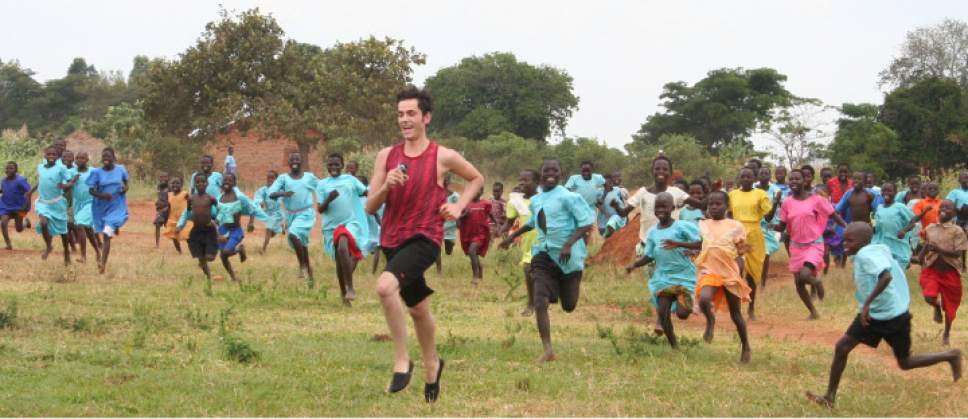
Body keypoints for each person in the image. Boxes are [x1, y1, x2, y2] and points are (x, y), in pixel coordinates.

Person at [365, 86, 484, 402]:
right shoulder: (386, 157)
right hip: (391, 238)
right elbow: (369, 206)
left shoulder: (442, 156)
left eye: (411, 114)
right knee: (418, 309)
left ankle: (403, 360)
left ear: (426, 117)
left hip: (425, 238)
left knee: (384, 287)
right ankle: (434, 364)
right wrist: (386, 186)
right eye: (401, 114)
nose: (405, 120)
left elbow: (476, 179)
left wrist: (458, 208)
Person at [806, 222, 962, 408]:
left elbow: (886, 276)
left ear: (864, 241)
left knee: (905, 362)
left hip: (889, 316)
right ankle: (829, 398)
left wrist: (867, 305)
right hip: (880, 312)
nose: (845, 244)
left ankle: (950, 355)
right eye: (844, 239)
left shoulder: (866, 255)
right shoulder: (876, 249)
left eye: (850, 240)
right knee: (842, 347)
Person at [500, 159, 594, 363]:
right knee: (540, 300)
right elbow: (533, 222)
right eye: (546, 171)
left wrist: (569, 244)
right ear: (541, 175)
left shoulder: (570, 197)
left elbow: (586, 223)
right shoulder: (537, 200)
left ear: (561, 173)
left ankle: (560, 285)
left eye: (555, 170)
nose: (550, 173)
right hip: (544, 254)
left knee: (568, 305)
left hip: (569, 258)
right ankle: (548, 350)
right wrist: (509, 237)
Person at [625, 192, 701, 348]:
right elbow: (650, 255)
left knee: (682, 314)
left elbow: (699, 244)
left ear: (672, 208)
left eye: (664, 206)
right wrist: (635, 265)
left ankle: (688, 301)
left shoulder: (682, 226)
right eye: (657, 207)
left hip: (683, 276)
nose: (660, 210)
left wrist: (679, 244)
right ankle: (674, 346)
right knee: (663, 312)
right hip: (663, 278)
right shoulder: (652, 232)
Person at [776, 169, 847, 319]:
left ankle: (817, 283)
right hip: (796, 246)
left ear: (804, 181)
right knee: (798, 282)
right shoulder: (787, 202)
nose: (794, 181)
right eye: (791, 179)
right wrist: (772, 226)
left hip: (814, 244)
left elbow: (833, 214)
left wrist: (847, 228)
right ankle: (813, 312)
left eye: (797, 179)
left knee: (805, 274)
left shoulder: (816, 199)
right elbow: (782, 226)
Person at [693, 190, 752, 362]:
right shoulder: (703, 224)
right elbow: (701, 244)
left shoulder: (736, 226)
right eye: (711, 203)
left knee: (736, 315)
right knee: (704, 299)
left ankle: (745, 345)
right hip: (709, 271)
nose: (714, 207)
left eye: (718, 204)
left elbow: (743, 250)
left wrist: (740, 266)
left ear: (727, 206)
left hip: (729, 273)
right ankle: (710, 320)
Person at [612, 155, 694, 258]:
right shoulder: (643, 192)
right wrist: (616, 207)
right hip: (648, 245)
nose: (661, 171)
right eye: (657, 169)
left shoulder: (676, 192)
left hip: (669, 245)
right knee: (651, 273)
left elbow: (700, 204)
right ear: (652, 171)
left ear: (670, 173)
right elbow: (624, 213)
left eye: (665, 169)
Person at [316, 153, 370, 306]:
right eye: (330, 165)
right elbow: (320, 209)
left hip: (349, 223)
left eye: (336, 164)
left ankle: (351, 287)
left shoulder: (350, 180)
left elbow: (366, 192)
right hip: (330, 227)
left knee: (342, 247)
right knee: (340, 261)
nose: (333, 167)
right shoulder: (322, 184)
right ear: (327, 166)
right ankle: (344, 294)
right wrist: (329, 199)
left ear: (342, 165)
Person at [728, 167, 779, 320]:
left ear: (754, 178)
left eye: (749, 176)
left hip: (754, 234)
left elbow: (768, 217)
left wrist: (775, 202)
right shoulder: (732, 195)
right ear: (739, 178)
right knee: (735, 270)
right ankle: (735, 308)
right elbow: (729, 214)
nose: (745, 179)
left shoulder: (761, 194)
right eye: (743, 176)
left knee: (752, 273)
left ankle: (751, 308)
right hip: (737, 234)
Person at [914, 200, 967, 345]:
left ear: (954, 213)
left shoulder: (957, 231)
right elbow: (927, 245)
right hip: (932, 270)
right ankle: (936, 307)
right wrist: (918, 258)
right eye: (941, 207)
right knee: (929, 297)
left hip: (950, 273)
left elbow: (957, 253)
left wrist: (939, 250)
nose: (943, 209)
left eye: (948, 208)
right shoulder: (931, 228)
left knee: (950, 308)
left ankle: (946, 333)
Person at [268, 153, 320, 285]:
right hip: (291, 215)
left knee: (293, 234)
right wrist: (283, 193)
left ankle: (302, 265)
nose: (295, 161)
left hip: (306, 213)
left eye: (297, 159)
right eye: (292, 160)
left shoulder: (309, 177)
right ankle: (310, 277)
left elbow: (322, 187)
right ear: (288, 162)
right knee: (302, 245)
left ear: (301, 161)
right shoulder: (283, 179)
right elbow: (271, 194)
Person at [503, 169, 540, 316]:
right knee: (528, 272)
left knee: (538, 273)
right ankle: (532, 304)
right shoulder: (516, 202)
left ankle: (538, 302)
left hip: (545, 243)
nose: (522, 183)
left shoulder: (544, 199)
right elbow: (509, 222)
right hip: (528, 245)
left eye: (526, 180)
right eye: (521, 180)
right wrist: (501, 232)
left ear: (537, 182)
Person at [87, 148, 129, 274]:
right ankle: (113, 227)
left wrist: (125, 189)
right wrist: (102, 195)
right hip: (101, 207)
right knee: (102, 230)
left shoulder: (121, 169)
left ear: (113, 157)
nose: (106, 158)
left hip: (117, 205)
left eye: (108, 156)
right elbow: (91, 190)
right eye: (104, 156)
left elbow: (126, 183)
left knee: (106, 234)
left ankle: (102, 264)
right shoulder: (96, 173)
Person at [34, 146, 79, 265]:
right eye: (49, 154)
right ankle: (48, 246)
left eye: (54, 155)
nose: (51, 157)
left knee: (63, 231)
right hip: (43, 203)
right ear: (45, 156)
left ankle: (66, 254)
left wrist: (68, 185)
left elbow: (70, 181)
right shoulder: (40, 167)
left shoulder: (61, 168)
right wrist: (30, 192)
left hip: (57, 203)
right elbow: (41, 181)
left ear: (57, 157)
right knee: (43, 223)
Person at [872, 182, 928, 269]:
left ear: (895, 193)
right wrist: (872, 228)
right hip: (882, 244)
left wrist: (904, 230)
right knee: (885, 270)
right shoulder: (879, 208)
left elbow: (913, 222)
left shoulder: (900, 207)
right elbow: (877, 226)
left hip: (898, 244)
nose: (886, 193)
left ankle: (907, 263)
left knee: (898, 269)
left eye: (889, 191)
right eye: (884, 191)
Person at [177, 175, 219, 280]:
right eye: (198, 182)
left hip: (209, 230)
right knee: (200, 258)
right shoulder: (191, 198)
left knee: (210, 257)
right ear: (195, 184)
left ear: (207, 184)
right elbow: (187, 212)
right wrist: (180, 225)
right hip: (196, 230)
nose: (200, 184)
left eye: (203, 182)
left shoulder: (211, 198)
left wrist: (215, 221)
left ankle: (207, 255)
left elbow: (218, 211)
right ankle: (209, 276)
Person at [213, 174, 248, 281]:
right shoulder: (220, 198)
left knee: (226, 252)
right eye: (225, 180)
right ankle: (233, 277)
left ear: (234, 183)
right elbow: (217, 216)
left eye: (230, 180)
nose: (227, 182)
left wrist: (251, 222)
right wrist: (218, 233)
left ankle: (239, 249)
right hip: (223, 229)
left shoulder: (239, 197)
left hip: (235, 230)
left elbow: (251, 208)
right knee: (223, 256)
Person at [458, 187, 495, 284]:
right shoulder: (465, 204)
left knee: (472, 251)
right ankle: (480, 269)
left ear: (482, 191)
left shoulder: (485, 204)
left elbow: (492, 216)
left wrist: (498, 227)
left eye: (477, 190)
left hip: (480, 234)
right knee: (473, 253)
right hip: (467, 234)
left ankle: (475, 276)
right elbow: (458, 223)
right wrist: (463, 215)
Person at [71, 152, 100, 264]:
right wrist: (72, 181)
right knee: (88, 230)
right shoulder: (72, 172)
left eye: (82, 158)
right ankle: (98, 251)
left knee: (80, 225)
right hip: (78, 203)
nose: (79, 160)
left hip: (91, 203)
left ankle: (83, 256)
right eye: (77, 158)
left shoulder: (93, 171)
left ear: (87, 159)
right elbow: (66, 184)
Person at [756, 166, 781, 288]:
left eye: (766, 173)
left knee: (765, 254)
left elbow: (782, 207)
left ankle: (763, 284)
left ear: (770, 176)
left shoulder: (776, 190)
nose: (764, 175)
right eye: (761, 173)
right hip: (753, 225)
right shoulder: (752, 188)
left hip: (768, 227)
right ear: (758, 175)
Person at [1, 161, 32, 250]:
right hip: (6, 207)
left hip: (21, 208)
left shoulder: (21, 180)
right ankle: (8, 244)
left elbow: (28, 193)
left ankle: (25, 223)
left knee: (18, 228)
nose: (8, 170)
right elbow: (4, 191)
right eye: (7, 168)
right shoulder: (3, 180)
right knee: (3, 222)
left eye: (11, 168)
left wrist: (26, 206)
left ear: (16, 170)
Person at [253, 171, 284, 254]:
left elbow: (285, 198)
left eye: (272, 178)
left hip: (277, 214)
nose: (269, 179)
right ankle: (281, 229)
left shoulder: (279, 190)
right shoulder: (263, 190)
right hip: (268, 214)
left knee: (269, 231)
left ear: (276, 180)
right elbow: (257, 197)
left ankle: (263, 249)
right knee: (271, 232)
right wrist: (260, 202)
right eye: (268, 177)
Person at [161, 176, 190, 253]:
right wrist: (165, 219)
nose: (175, 185)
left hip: (183, 219)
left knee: (187, 236)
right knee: (174, 237)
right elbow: (168, 207)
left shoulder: (185, 194)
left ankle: (193, 250)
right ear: (170, 185)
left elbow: (191, 201)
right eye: (173, 183)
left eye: (177, 183)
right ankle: (179, 252)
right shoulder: (169, 195)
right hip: (172, 219)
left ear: (181, 185)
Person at [438, 175, 459, 274]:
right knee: (437, 248)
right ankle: (439, 270)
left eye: (447, 180)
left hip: (451, 226)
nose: (445, 182)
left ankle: (451, 244)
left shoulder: (455, 196)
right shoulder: (437, 194)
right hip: (438, 225)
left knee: (448, 251)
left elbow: (459, 209)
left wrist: (459, 221)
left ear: (449, 182)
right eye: (443, 180)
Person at [61, 150, 79, 252]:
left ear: (73, 159)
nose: (66, 159)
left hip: (73, 202)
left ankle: (78, 241)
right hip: (61, 202)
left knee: (71, 224)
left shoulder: (76, 170)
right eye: (64, 157)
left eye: (69, 157)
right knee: (65, 226)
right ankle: (72, 247)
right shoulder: (60, 170)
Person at [154, 172, 170, 248]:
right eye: (161, 177)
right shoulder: (159, 187)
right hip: (160, 210)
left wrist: (166, 207)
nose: (163, 179)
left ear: (168, 178)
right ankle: (157, 245)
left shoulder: (170, 187)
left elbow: (172, 200)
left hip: (168, 210)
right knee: (157, 224)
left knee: (170, 227)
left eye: (165, 177)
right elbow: (160, 197)